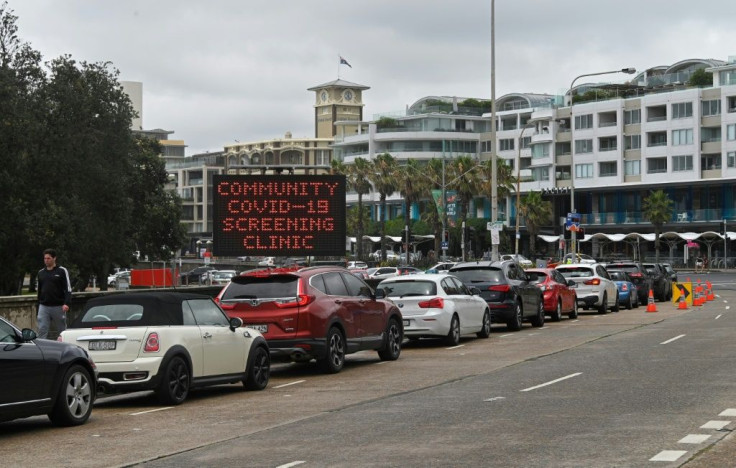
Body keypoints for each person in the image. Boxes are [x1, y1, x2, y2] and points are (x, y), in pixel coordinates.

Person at [37, 248, 72, 339]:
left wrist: (66, 303)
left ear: (54, 258)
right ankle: (41, 349)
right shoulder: (41, 273)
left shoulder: (61, 270)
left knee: (62, 330)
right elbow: (39, 290)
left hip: (58, 306)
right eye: (45, 258)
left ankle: (64, 345)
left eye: (48, 258)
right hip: (44, 306)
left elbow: (68, 288)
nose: (46, 260)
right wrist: (38, 304)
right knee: (42, 329)